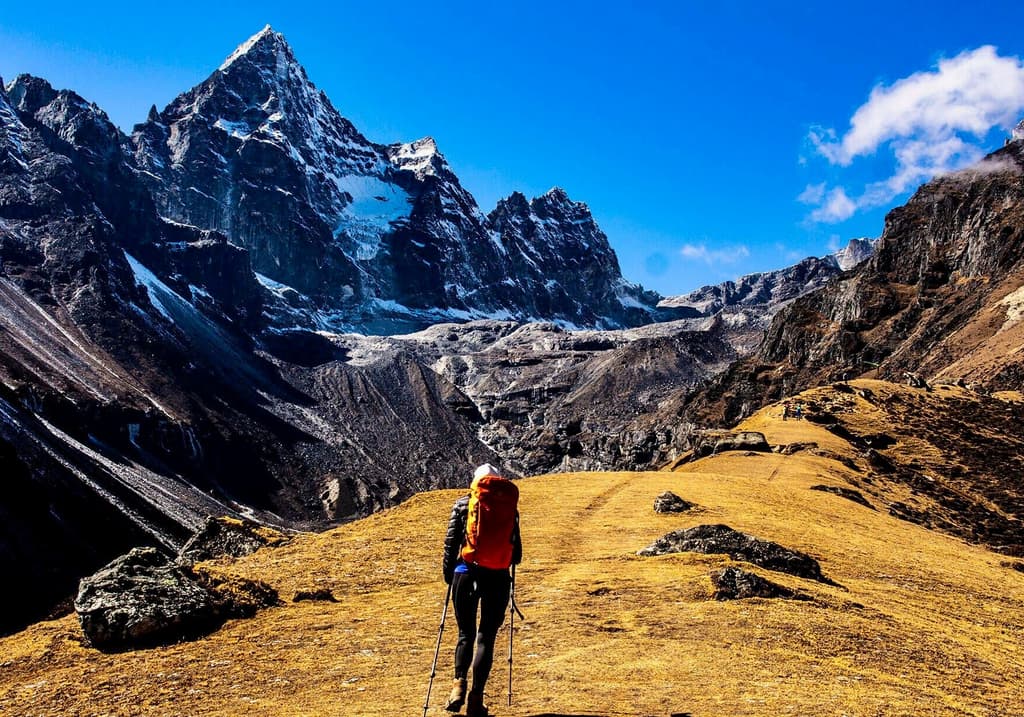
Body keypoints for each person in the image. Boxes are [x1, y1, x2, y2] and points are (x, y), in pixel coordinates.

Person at [443, 463, 522, 716]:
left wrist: (449, 577)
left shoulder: (463, 505)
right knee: (486, 637)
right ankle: (476, 699)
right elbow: (517, 554)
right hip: (497, 578)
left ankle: (458, 687)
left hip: (466, 573)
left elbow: (451, 544)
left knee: (465, 633)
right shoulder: (510, 509)